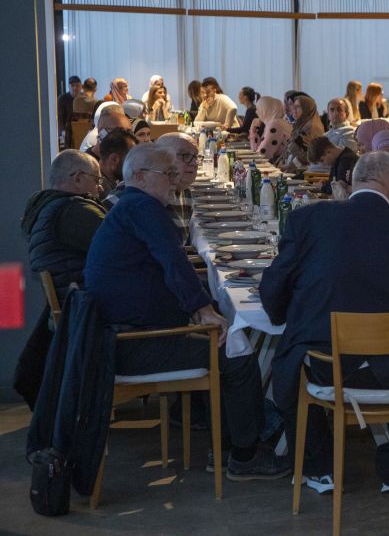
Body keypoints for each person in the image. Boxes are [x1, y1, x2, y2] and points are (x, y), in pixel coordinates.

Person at [261, 151, 389, 494]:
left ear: (350, 183)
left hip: (327, 367)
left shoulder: (307, 221)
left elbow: (272, 291)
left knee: (291, 355)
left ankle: (320, 467)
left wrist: (287, 313)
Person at [84, 143, 287, 480]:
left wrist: (202, 308)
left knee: (228, 340)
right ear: (140, 176)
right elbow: (174, 262)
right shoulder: (143, 208)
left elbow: (169, 268)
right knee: (237, 355)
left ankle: (228, 447)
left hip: (119, 336)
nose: (175, 180)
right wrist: (203, 310)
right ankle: (245, 455)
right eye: (167, 174)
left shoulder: (131, 206)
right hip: (131, 346)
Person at [16, 150, 106, 408]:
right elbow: (120, 246)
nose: (99, 189)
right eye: (96, 180)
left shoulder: (47, 207)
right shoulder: (75, 212)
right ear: (77, 178)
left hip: (74, 307)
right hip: (91, 316)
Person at [156, 132, 201, 244]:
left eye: (196, 156)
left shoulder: (186, 193)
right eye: (185, 155)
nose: (194, 163)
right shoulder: (144, 194)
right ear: (161, 159)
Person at [285, 95, 325, 169]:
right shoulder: (300, 125)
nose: (294, 109)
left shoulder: (312, 127)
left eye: (298, 107)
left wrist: (289, 167)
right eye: (294, 106)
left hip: (304, 171)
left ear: (307, 109)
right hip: (293, 168)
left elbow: (308, 154)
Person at [253, 96, 292, 165]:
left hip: (282, 167)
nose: (256, 112)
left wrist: (252, 132)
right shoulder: (279, 122)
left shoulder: (275, 124)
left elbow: (262, 155)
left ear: (265, 110)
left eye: (258, 109)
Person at [57, 76, 82, 147]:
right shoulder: (62, 99)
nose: (75, 88)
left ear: (81, 86)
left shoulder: (84, 99)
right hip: (66, 131)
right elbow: (60, 117)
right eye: (72, 85)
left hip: (80, 130)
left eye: (77, 85)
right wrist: (62, 132)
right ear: (69, 86)